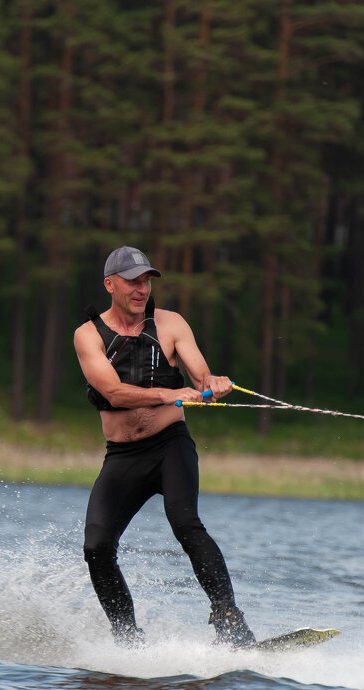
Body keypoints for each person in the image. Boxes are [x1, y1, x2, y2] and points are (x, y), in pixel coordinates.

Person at [72, 245, 254, 648]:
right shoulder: (88, 335)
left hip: (170, 446)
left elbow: (201, 376)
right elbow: (115, 394)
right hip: (123, 456)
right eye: (133, 281)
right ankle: (128, 640)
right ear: (110, 284)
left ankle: (230, 622)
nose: (142, 290)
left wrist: (213, 384)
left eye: (147, 282)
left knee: (185, 522)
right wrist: (170, 395)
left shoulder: (170, 324)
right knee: (97, 547)